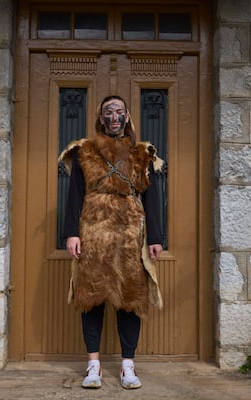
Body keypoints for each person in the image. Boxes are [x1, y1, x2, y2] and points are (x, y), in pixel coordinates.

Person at [59, 95, 164, 390]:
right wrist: (72, 233)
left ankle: (127, 366)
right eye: (108, 112)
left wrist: (156, 238)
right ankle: (93, 365)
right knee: (91, 297)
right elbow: (75, 194)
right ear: (101, 118)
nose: (114, 116)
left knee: (130, 298)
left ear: (127, 117)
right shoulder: (86, 152)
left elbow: (152, 198)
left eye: (119, 111)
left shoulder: (142, 153)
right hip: (93, 233)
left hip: (131, 234)